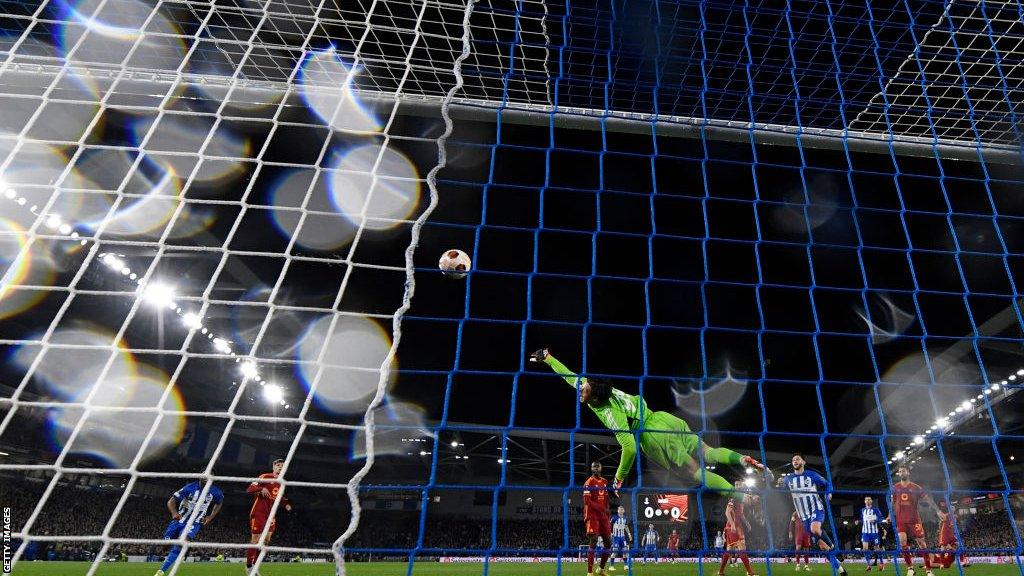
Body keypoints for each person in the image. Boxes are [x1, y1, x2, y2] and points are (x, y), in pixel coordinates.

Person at [531, 349, 764, 494]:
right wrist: (548, 358)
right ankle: (740, 458)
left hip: (651, 436)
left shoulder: (610, 413)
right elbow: (569, 376)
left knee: (695, 473)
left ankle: (742, 496)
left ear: (595, 397)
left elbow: (630, 448)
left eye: (585, 388)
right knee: (707, 451)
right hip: (665, 419)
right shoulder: (598, 389)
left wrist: (619, 479)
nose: (580, 388)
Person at [778, 453, 848, 576]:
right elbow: (780, 487)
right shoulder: (788, 478)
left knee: (815, 529)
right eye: (793, 460)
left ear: (803, 462)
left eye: (798, 459)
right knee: (823, 547)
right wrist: (778, 483)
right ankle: (842, 571)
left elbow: (827, 483)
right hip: (803, 516)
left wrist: (828, 493)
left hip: (816, 509)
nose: (795, 461)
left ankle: (834, 548)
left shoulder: (812, 475)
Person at [154, 480, 223, 576]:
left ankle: (160, 572)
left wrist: (210, 517)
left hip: (194, 522)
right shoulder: (189, 487)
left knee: (181, 542)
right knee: (165, 546)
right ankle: (173, 552)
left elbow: (219, 502)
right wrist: (174, 512)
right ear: (200, 476)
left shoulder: (216, 491)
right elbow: (171, 501)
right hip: (179, 520)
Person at [246, 459, 292, 575]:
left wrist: (286, 504)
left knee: (266, 542)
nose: (280, 467)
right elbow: (249, 489)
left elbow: (279, 496)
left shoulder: (282, 482)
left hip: (271, 515)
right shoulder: (266, 476)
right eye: (278, 465)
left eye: (282, 466)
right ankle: (248, 566)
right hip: (259, 512)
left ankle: (256, 566)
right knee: (255, 540)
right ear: (273, 467)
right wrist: (261, 488)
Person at [890, 465, 936, 576]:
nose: (901, 473)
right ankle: (910, 568)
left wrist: (938, 511)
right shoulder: (895, 487)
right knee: (902, 542)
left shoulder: (916, 487)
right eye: (900, 472)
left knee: (922, 544)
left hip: (914, 519)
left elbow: (928, 499)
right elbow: (892, 503)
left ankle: (929, 570)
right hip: (901, 520)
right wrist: (889, 515)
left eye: (903, 471)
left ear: (908, 472)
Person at [718, 481, 754, 576]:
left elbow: (741, 515)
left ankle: (721, 572)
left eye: (739, 484)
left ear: (743, 486)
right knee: (742, 548)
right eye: (736, 485)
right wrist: (733, 524)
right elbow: (727, 512)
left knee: (729, 550)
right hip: (733, 527)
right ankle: (750, 572)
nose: (737, 486)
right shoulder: (733, 497)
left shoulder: (741, 500)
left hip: (738, 526)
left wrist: (747, 523)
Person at [583, 461, 612, 576]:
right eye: (593, 466)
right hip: (592, 515)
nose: (595, 468)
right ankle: (589, 572)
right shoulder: (588, 482)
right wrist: (602, 508)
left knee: (608, 543)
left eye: (597, 466)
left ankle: (601, 569)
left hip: (603, 516)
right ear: (591, 469)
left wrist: (607, 513)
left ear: (601, 468)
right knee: (593, 541)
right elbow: (587, 501)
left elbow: (606, 499)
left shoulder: (605, 482)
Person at [857, 496, 888, 571]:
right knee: (864, 549)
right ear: (864, 501)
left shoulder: (875, 509)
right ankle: (869, 565)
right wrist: (858, 521)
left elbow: (881, 518)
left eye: (869, 499)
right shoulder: (863, 510)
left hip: (874, 532)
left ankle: (881, 563)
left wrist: (875, 521)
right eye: (866, 499)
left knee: (877, 548)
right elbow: (863, 519)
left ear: (871, 501)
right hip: (865, 532)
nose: (867, 500)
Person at [935, 500, 967, 569]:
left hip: (951, 533)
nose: (952, 510)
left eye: (953, 509)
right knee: (943, 548)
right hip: (945, 533)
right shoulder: (945, 515)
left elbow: (956, 517)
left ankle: (962, 561)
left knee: (959, 545)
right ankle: (942, 563)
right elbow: (941, 520)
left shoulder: (953, 515)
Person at [608, 505, 632, 571]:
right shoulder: (614, 518)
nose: (621, 510)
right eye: (619, 509)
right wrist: (610, 533)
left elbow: (626, 527)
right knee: (615, 551)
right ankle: (611, 566)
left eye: (622, 509)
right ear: (618, 511)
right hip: (616, 537)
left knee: (625, 551)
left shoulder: (625, 518)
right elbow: (609, 525)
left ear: (623, 511)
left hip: (622, 537)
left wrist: (629, 534)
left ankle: (625, 565)